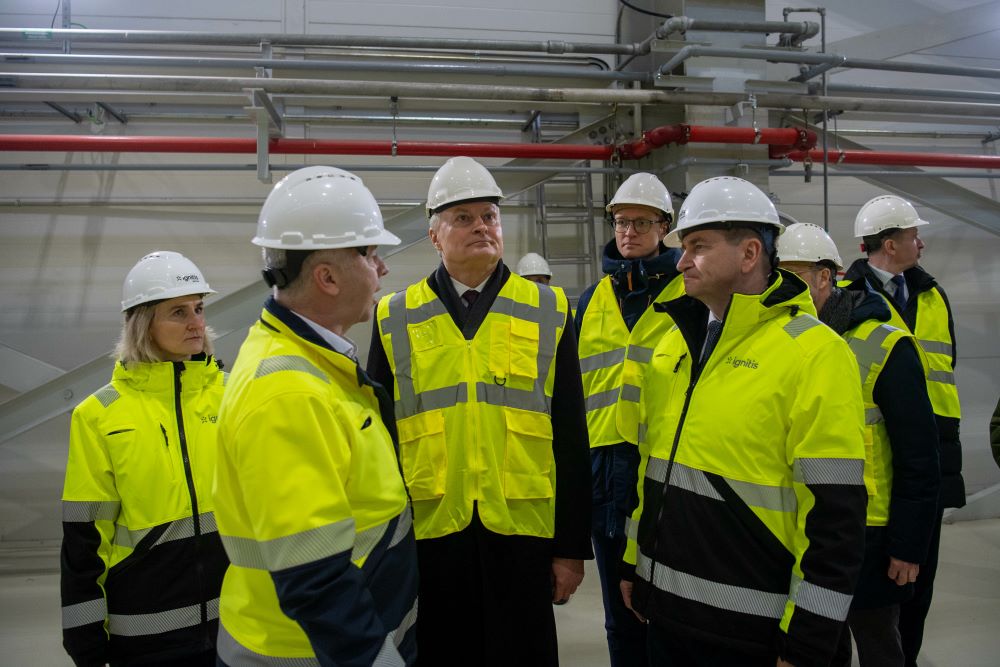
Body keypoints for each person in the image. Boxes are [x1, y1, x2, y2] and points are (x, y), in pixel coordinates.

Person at [618, 176, 867, 667]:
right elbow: (651, 470)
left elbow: (834, 517)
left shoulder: (815, 353)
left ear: (750, 253)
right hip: (667, 616)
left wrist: (809, 640)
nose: (682, 262)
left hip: (755, 633)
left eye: (698, 247)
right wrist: (635, 565)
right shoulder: (673, 346)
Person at [367, 155, 592, 666]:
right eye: (463, 218)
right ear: (434, 235)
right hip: (431, 532)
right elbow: (380, 439)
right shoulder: (394, 315)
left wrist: (571, 548)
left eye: (490, 216)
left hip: (522, 530)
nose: (481, 227)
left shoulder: (549, 309)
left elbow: (570, 435)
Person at [213, 166, 418, 666]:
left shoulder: (312, 359)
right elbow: (315, 579)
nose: (383, 269)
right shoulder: (286, 392)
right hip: (308, 653)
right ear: (327, 277)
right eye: (370, 254)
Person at [779, 222, 941, 667]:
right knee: (820, 645)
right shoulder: (783, 342)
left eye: (796, 277)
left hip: (873, 533)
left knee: (879, 645)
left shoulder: (884, 344)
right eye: (780, 276)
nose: (785, 288)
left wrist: (908, 545)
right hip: (807, 526)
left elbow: (919, 455)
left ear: (825, 277)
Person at [61, 251, 228, 667]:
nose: (196, 323)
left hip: (237, 623)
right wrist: (85, 639)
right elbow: (85, 538)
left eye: (199, 308)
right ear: (142, 323)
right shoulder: (98, 415)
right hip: (145, 635)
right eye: (178, 312)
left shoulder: (233, 395)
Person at [843, 195, 964, 666]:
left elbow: (946, 367)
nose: (922, 243)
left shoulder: (932, 295)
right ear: (890, 244)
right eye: (914, 235)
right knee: (874, 589)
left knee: (919, 578)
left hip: (932, 451)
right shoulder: (846, 295)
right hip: (874, 456)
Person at [574, 172, 682, 667]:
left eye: (641, 222)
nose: (629, 231)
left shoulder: (688, 294)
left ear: (664, 227)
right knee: (619, 618)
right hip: (604, 477)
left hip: (666, 471)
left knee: (672, 616)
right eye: (621, 221)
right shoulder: (591, 300)